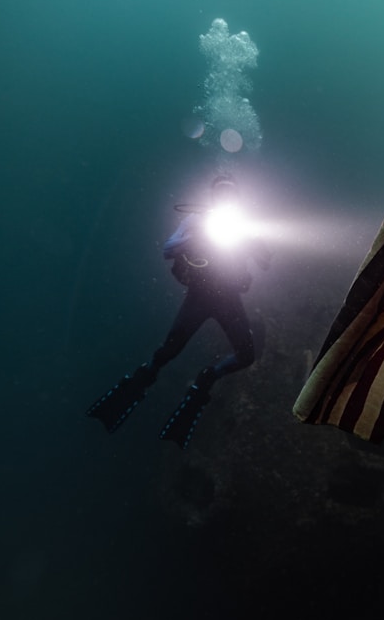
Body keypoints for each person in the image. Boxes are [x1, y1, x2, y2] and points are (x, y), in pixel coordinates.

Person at [86, 174, 270, 449]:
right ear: (213, 197)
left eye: (229, 192)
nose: (225, 197)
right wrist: (194, 239)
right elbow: (167, 249)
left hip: (228, 298)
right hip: (199, 296)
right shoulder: (196, 221)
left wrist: (255, 245)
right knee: (170, 349)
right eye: (220, 192)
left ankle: (208, 377)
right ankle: (145, 376)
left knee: (246, 355)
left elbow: (265, 262)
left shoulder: (245, 226)